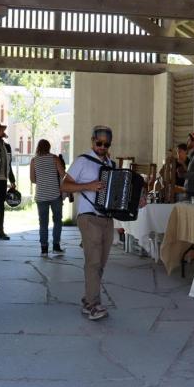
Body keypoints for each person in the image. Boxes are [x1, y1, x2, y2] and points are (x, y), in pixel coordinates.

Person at [62, 125, 117, 320]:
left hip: (107, 218)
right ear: (92, 141)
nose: (102, 147)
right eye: (99, 143)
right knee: (93, 262)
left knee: (100, 263)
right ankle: (94, 305)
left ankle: (88, 300)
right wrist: (88, 186)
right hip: (88, 216)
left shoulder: (111, 164)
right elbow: (64, 185)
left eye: (106, 144)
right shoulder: (82, 161)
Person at [31, 139, 66, 256]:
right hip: (55, 194)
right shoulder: (55, 158)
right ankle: (56, 246)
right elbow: (63, 174)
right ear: (49, 147)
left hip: (41, 196)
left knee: (43, 223)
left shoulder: (34, 161)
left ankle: (44, 249)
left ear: (38, 148)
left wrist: (42, 179)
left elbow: (32, 179)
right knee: (57, 221)